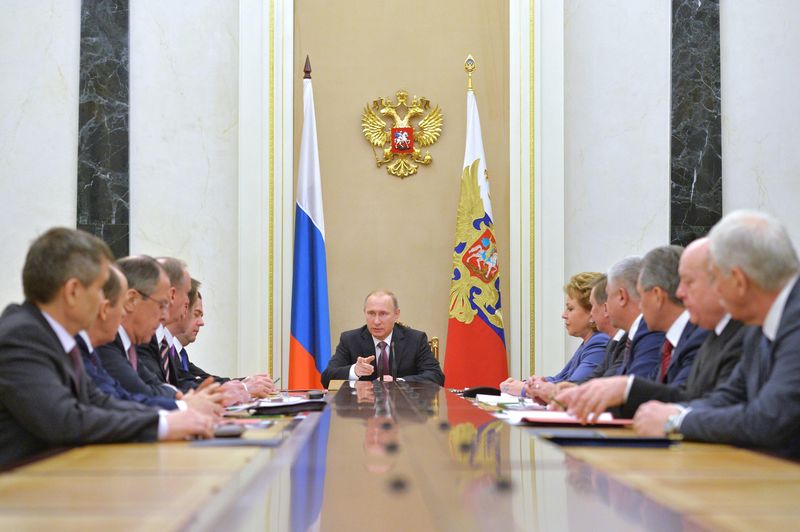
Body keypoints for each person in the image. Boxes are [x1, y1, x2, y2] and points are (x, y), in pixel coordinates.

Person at [0, 228, 212, 467]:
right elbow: (64, 420)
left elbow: (100, 401)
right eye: (102, 288)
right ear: (72, 292)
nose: (109, 301)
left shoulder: (53, 336)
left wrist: (172, 415)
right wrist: (162, 424)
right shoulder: (22, 336)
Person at [633, 211, 800, 458]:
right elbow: (729, 398)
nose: (716, 290)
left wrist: (675, 421)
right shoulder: (759, 324)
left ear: (738, 281)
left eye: (716, 278)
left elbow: (770, 419)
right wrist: (672, 412)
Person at [557, 242, 737, 420]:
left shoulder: (700, 336)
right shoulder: (683, 337)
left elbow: (691, 401)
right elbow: (661, 393)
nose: (680, 293)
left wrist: (625, 389)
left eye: (689, 283)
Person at [79, 265, 223, 416]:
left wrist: (182, 401)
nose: (164, 316)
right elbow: (130, 395)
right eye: (160, 305)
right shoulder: (106, 345)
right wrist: (182, 405)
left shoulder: (126, 345)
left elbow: (145, 388)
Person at [500, 272, 610, 399]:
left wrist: (526, 389)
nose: (564, 315)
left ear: (591, 313)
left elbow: (572, 386)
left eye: (570, 309)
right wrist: (531, 383)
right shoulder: (589, 341)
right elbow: (560, 378)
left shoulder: (600, 342)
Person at [172, 279, 275, 400]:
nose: (201, 322)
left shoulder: (180, 354)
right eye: (196, 314)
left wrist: (246, 382)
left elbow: (206, 379)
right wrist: (244, 387)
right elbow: (184, 387)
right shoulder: (159, 350)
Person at [321, 290, 444, 388]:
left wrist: (399, 382)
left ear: (396, 314)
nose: (376, 321)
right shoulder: (350, 340)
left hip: (405, 413)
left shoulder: (416, 339)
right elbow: (326, 379)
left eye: (383, 314)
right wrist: (355, 371)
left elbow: (436, 377)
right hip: (364, 412)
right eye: (371, 313)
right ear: (364, 313)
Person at [96, 255, 179, 398]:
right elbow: (144, 393)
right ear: (132, 300)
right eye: (161, 305)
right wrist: (183, 400)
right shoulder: (105, 342)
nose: (165, 316)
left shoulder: (129, 346)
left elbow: (154, 384)